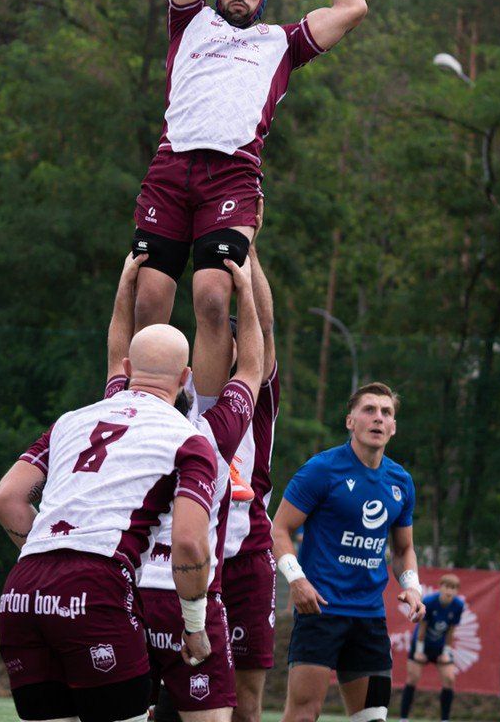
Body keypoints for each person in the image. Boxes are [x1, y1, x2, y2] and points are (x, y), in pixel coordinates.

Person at [132, 0, 368, 401]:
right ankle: (140, 407)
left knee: (214, 299)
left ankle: (210, 426)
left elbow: (352, 8)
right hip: (171, 170)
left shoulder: (279, 43)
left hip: (231, 178)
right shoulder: (189, 22)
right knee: (150, 299)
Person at [0, 316, 219, 722]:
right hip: (96, 584)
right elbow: (188, 542)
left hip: (23, 590)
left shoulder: (70, 421)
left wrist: (48, 559)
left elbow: (6, 499)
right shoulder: (188, 438)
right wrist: (195, 625)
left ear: (127, 369)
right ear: (186, 378)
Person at [128, 253, 263, 722]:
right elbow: (251, 367)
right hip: (185, 591)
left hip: (121, 590)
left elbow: (114, 357)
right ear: (187, 377)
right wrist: (244, 293)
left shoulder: (113, 419)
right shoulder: (210, 434)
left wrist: (129, 286)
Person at [271, 384, 423, 722]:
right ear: (350, 421)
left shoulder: (401, 481)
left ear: (394, 427)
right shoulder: (321, 470)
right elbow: (279, 530)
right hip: (320, 613)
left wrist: (412, 586)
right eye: (369, 410)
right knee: (303, 714)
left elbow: (403, 549)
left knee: (372, 718)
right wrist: (296, 580)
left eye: (386, 413)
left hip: (370, 620)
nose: (378, 418)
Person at [218, 248, 281, 722]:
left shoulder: (258, 396)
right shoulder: (184, 392)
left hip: (248, 557)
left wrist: (248, 251)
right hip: (182, 556)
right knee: (168, 694)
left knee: (247, 704)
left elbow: (267, 327)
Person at [398, 574, 464, 722]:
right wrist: (420, 652)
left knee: (449, 678)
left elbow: (451, 632)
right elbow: (421, 629)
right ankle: (403, 718)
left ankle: (445, 719)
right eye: (446, 586)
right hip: (421, 645)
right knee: (412, 678)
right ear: (440, 587)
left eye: (453, 588)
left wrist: (446, 653)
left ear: (457, 591)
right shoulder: (429, 602)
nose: (449, 591)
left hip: (440, 647)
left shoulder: (458, 606)